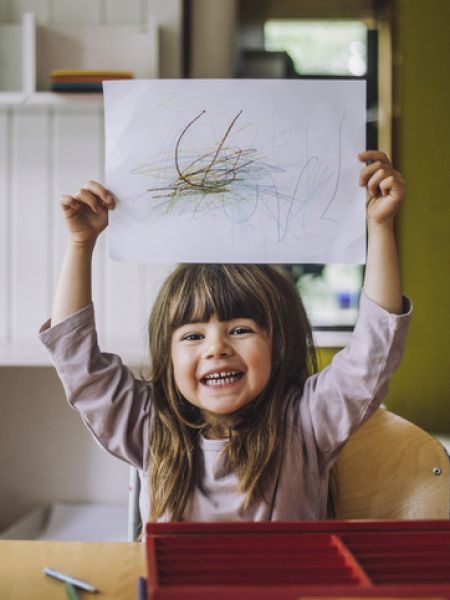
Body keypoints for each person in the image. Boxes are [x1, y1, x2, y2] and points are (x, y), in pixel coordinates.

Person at [39, 150, 411, 526]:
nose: (216, 348)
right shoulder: (150, 426)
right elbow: (78, 361)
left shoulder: (309, 422)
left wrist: (379, 228)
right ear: (168, 358)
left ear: (277, 345)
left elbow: (373, 351)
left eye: (240, 330)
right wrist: (80, 244)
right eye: (193, 335)